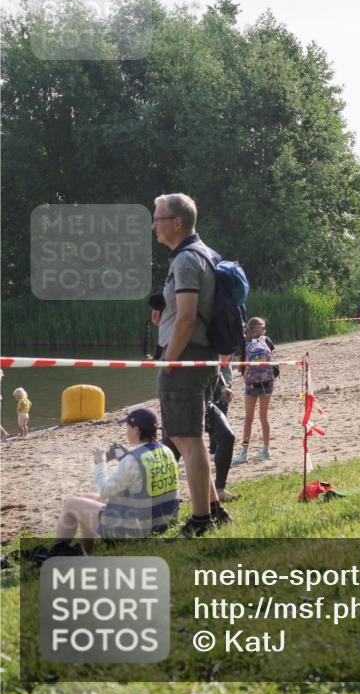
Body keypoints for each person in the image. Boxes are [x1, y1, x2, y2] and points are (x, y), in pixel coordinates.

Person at [151, 192, 228, 536]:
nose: (153, 225)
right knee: (187, 438)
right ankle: (213, 508)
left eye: (158, 218)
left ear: (177, 222)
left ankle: (200, 521)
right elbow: (185, 314)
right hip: (201, 356)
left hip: (186, 358)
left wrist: (169, 360)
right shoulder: (206, 254)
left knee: (188, 438)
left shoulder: (185, 259)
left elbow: (186, 318)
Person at [47, 408, 179, 557]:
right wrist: (127, 456)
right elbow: (144, 476)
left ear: (136, 430)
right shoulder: (166, 451)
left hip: (135, 531)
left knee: (71, 504)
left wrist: (100, 462)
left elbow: (104, 490)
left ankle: (57, 553)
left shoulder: (133, 460)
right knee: (85, 498)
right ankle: (86, 552)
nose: (126, 430)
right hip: (162, 521)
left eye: (127, 427)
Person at [235, 317, 277, 463]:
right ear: (257, 329)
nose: (264, 331)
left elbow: (240, 366)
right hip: (267, 383)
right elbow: (273, 361)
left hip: (251, 385)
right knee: (264, 417)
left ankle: (244, 453)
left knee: (248, 418)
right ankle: (265, 450)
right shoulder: (267, 340)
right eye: (263, 328)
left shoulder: (244, 343)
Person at [206, 365, 238, 502]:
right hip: (182, 400)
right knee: (174, 447)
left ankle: (219, 490)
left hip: (205, 401)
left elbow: (212, 365)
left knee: (227, 437)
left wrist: (223, 387)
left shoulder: (209, 346)